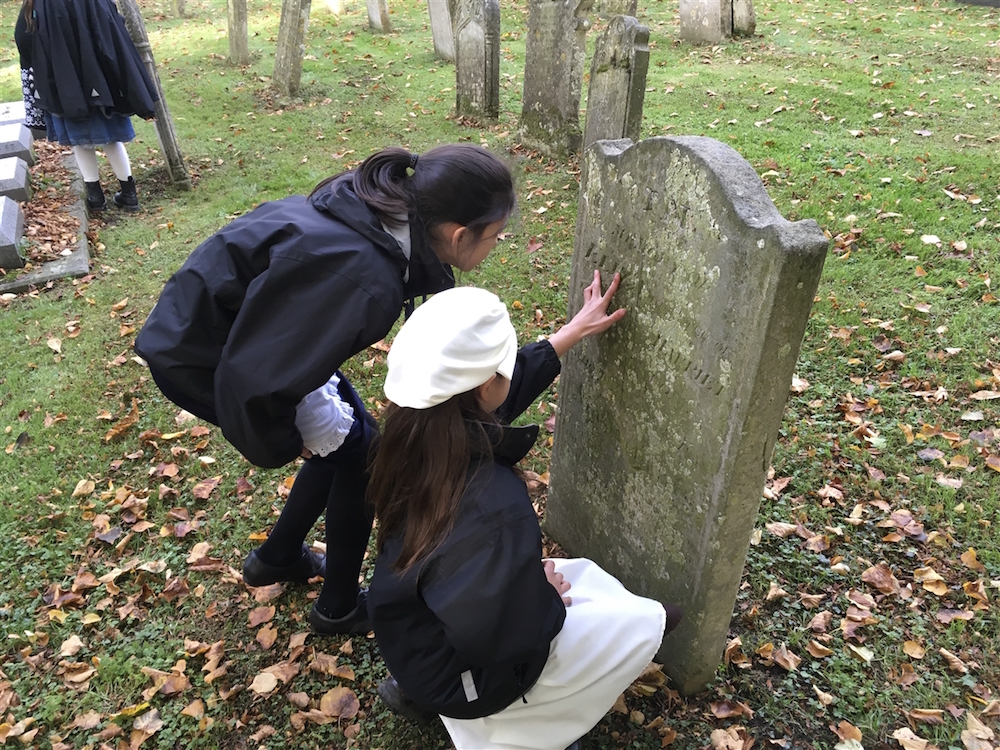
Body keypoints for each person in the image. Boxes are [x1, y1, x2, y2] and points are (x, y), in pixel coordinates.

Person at [134, 144, 516, 635]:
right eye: (495, 237)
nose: (495, 246)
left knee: (351, 441)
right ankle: (336, 607)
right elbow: (256, 379)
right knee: (368, 459)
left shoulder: (374, 213)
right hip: (210, 354)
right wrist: (281, 441)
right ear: (459, 234)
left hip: (243, 331)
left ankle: (276, 557)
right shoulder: (364, 280)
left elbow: (290, 335)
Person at [366, 280, 683, 750]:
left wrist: (571, 332)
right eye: (505, 368)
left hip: (414, 633)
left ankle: (417, 692)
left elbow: (490, 395)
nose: (512, 376)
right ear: (484, 384)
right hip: (462, 673)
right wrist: (544, 598)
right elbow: (504, 640)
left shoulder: (412, 433)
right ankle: (533, 729)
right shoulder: (492, 506)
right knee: (646, 621)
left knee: (585, 584)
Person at [14, 0, 158, 213]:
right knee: (112, 138)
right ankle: (129, 194)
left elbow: (24, 37)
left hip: (65, 85)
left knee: (80, 143)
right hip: (100, 79)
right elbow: (113, 23)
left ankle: (96, 197)